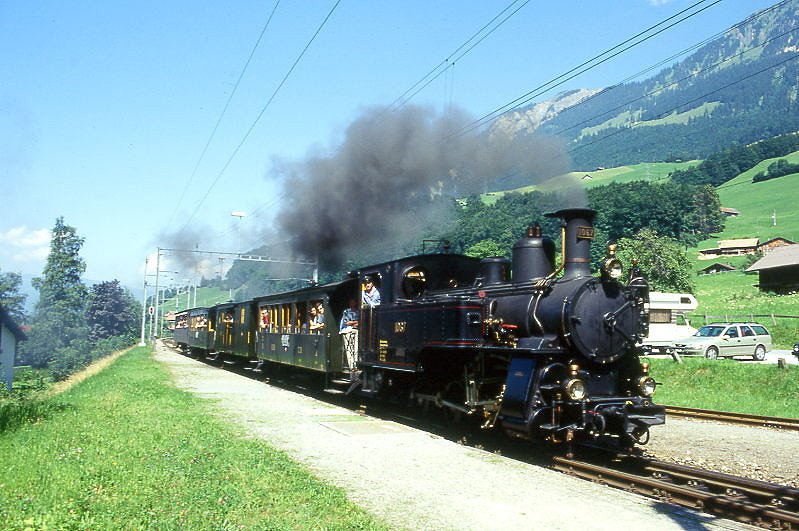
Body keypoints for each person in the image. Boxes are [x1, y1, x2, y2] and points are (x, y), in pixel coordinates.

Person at [339, 298, 360, 373]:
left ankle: (355, 366)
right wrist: (355, 323)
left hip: (356, 331)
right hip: (347, 331)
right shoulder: (346, 311)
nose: (353, 303)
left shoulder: (358, 311)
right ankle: (351, 366)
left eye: (354, 302)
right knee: (349, 349)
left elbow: (359, 322)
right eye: (351, 302)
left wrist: (353, 322)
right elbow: (346, 323)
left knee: (356, 349)